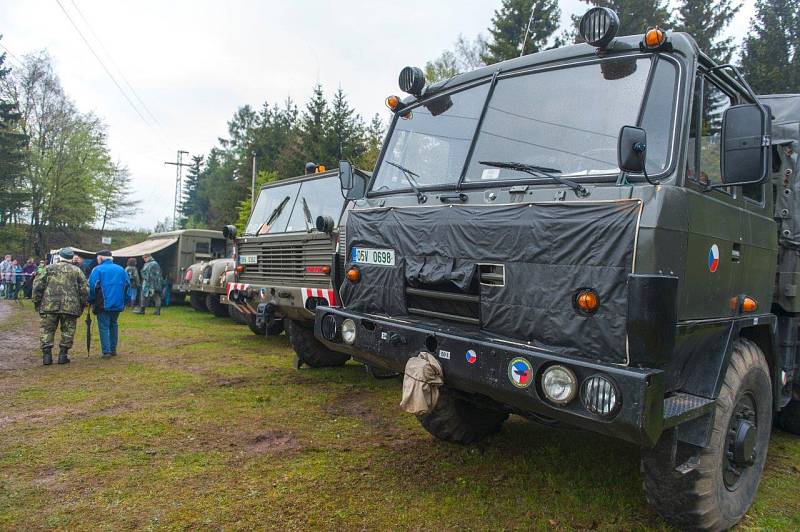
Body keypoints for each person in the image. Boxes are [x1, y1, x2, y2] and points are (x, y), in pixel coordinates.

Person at [32, 247, 88, 365]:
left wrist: (37, 302)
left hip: (49, 305)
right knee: (68, 330)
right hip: (70, 306)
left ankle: (46, 356)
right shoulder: (77, 271)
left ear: (60, 257)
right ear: (71, 258)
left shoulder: (48, 269)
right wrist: (83, 304)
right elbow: (84, 290)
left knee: (47, 330)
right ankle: (63, 355)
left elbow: (37, 286)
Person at [88, 250, 129, 358]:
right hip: (118, 303)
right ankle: (113, 349)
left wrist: (91, 300)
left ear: (101, 258)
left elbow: (92, 287)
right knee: (114, 324)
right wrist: (125, 301)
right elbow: (128, 286)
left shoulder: (97, 269)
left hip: (102, 303)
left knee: (104, 327)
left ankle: (106, 351)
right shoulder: (121, 269)